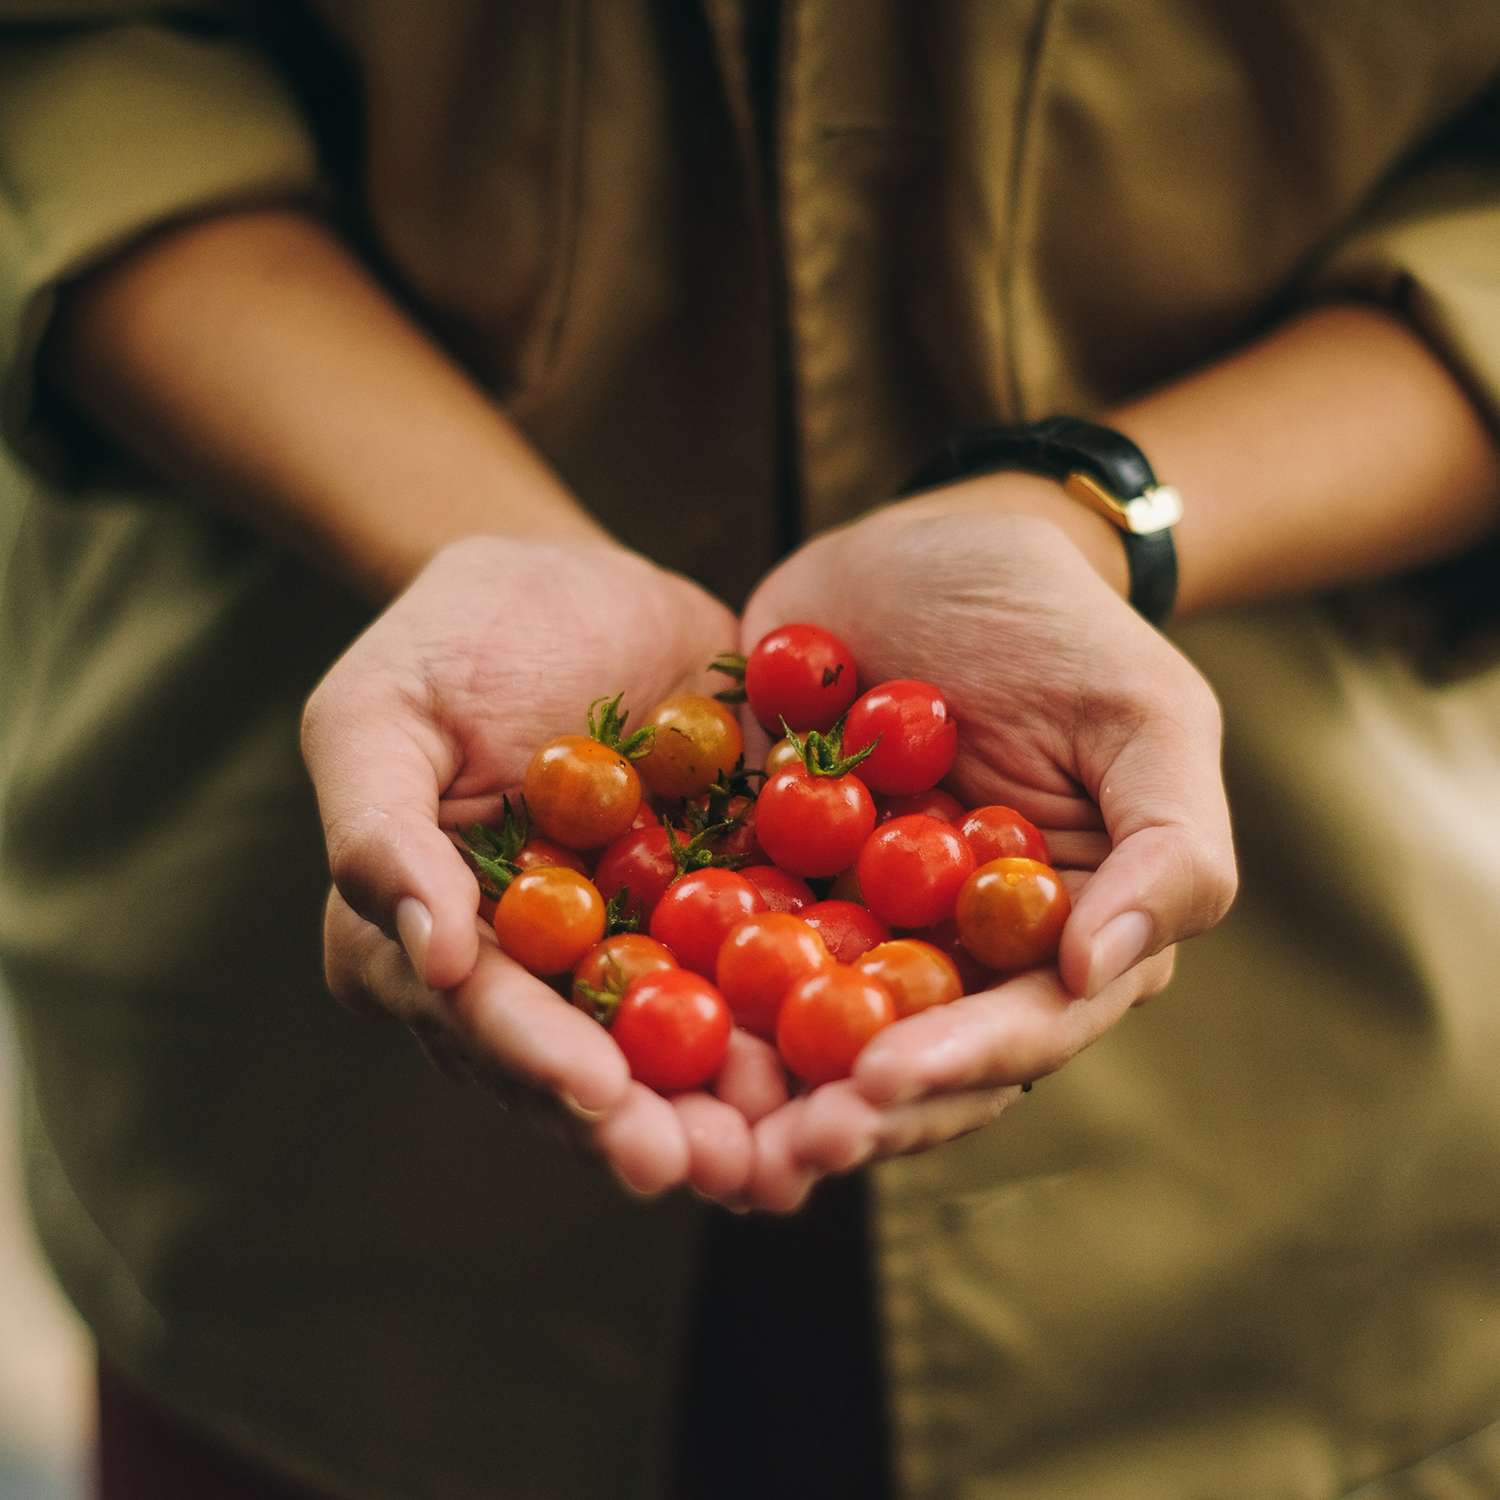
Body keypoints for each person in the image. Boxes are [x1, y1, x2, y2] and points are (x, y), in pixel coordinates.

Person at [1, 3, 1499, 1497]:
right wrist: (476, 533)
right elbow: (67, 64)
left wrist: (1082, 521)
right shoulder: (707, 827)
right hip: (318, 1185)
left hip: (1304, 1149)